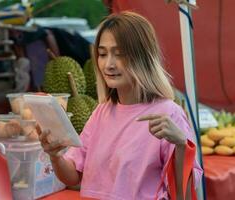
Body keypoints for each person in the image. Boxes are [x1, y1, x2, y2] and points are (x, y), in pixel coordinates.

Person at [38, 11, 202, 200]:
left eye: (120, 54)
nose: (108, 64)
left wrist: (181, 145)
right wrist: (56, 155)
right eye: (102, 54)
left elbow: (184, 195)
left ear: (143, 57)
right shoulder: (101, 112)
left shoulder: (168, 114)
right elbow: (73, 176)